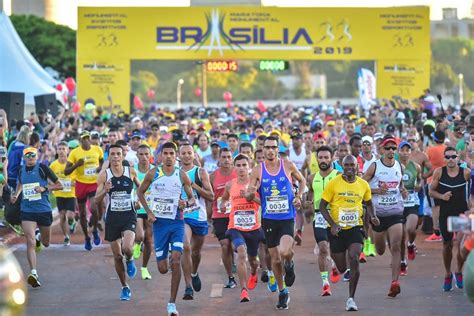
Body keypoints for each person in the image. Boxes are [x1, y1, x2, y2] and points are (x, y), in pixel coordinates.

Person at [246, 136, 306, 310]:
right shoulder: (258, 169)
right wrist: (250, 193)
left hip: (286, 217)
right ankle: (283, 292)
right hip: (269, 219)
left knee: (285, 252)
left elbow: (302, 180)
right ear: (263, 149)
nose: (270, 150)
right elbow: (251, 190)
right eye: (267, 147)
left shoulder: (287, 165)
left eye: (273, 147)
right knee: (275, 259)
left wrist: (298, 196)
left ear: (278, 148)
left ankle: (290, 263)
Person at [137, 142, 195, 316]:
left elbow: (192, 199)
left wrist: (186, 203)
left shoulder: (182, 175)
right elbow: (140, 193)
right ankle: (169, 254)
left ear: (175, 155)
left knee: (176, 260)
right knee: (163, 268)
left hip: (177, 222)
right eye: (166, 153)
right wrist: (148, 212)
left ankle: (171, 304)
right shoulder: (153, 173)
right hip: (159, 225)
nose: (168, 156)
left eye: (171, 153)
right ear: (161, 155)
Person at [319, 155, 379, 311]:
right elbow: (323, 205)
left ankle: (351, 298)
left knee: (354, 258)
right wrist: (332, 224)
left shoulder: (363, 184)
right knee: (341, 266)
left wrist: (372, 216)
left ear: (357, 167)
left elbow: (369, 203)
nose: (350, 168)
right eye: (346, 165)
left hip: (355, 227)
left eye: (352, 165)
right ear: (342, 167)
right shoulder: (334, 184)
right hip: (337, 229)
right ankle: (342, 269)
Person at [11, 147, 63, 287]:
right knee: (30, 241)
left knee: (46, 243)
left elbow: (60, 185)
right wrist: (16, 194)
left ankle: (40, 237)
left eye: (32, 155)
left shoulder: (43, 168)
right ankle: (33, 272)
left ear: (37, 155)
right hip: (27, 210)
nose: (30, 158)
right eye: (27, 156)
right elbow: (21, 183)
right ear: (24, 157)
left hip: (43, 210)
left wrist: (44, 188)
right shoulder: (21, 170)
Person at [364, 135, 407, 297]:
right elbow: (361, 184)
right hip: (378, 215)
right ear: (382, 149)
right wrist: (375, 191)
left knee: (396, 246)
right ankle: (377, 245)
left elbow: (400, 184)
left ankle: (394, 282)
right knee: (381, 250)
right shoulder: (374, 167)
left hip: (395, 212)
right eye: (387, 148)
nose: (390, 151)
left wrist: (402, 190)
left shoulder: (399, 167)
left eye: (393, 148)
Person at [95, 144, 140, 300]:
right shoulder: (104, 176)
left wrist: (139, 201)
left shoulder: (131, 172)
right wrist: (104, 190)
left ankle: (131, 259)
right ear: (109, 156)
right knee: (117, 256)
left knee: (127, 247)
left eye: (118, 154)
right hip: (112, 218)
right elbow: (96, 199)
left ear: (122, 156)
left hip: (129, 216)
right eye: (112, 154)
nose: (115, 157)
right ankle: (124, 287)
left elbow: (141, 190)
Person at [220, 154, 264, 302]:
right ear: (234, 167)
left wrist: (251, 197)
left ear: (249, 166)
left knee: (252, 259)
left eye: (244, 165)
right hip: (235, 226)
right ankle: (244, 290)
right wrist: (223, 204)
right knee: (241, 252)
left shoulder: (257, 184)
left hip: (253, 227)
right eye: (238, 165)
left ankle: (253, 272)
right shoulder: (230, 184)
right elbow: (225, 198)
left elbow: (264, 204)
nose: (241, 168)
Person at [429, 146, 471, 292]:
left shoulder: (465, 173)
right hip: (446, 214)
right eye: (448, 157)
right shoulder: (439, 172)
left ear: (458, 158)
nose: (451, 159)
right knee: (447, 246)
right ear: (444, 158)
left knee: (461, 246)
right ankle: (448, 274)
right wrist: (442, 196)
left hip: (462, 214)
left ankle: (459, 271)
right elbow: (431, 191)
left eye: (453, 156)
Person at [179, 144, 214, 300]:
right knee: (185, 246)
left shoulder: (200, 172)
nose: (186, 155)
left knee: (195, 252)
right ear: (178, 155)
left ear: (194, 155)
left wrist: (193, 186)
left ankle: (194, 272)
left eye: (189, 153)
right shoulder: (174, 173)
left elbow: (211, 196)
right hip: (181, 217)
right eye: (183, 153)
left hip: (198, 216)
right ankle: (187, 287)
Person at [306, 146, 340, 296]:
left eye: (326, 157)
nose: (323, 160)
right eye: (321, 158)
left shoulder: (338, 175)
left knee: (335, 249)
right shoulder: (312, 177)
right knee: (323, 248)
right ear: (317, 159)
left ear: (332, 158)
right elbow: (310, 195)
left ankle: (333, 264)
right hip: (319, 217)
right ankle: (325, 283)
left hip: (335, 216)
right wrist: (307, 203)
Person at [65, 130, 104, 250]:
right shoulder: (74, 153)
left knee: (93, 207)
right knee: (82, 213)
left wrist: (100, 168)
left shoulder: (97, 149)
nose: (86, 140)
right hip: (81, 184)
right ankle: (87, 237)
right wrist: (76, 165)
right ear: (80, 140)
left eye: (88, 138)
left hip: (93, 183)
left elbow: (102, 161)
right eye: (84, 138)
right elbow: (66, 171)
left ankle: (95, 230)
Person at [210, 148, 237, 289]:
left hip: (237, 214)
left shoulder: (237, 173)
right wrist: (210, 219)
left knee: (235, 245)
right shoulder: (213, 176)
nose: (226, 160)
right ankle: (230, 277)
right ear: (219, 159)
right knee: (225, 245)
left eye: (229, 157)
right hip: (219, 215)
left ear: (232, 159)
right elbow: (210, 197)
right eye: (224, 157)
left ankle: (237, 259)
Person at [398, 141, 422, 275]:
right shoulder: (395, 166)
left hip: (412, 201)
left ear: (410, 152)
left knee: (411, 229)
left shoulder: (416, 166)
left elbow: (419, 180)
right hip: (398, 203)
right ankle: (402, 262)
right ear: (398, 151)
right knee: (401, 236)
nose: (405, 152)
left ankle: (411, 244)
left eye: (408, 150)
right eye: (403, 150)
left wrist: (418, 185)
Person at [132, 144, 154, 280]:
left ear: (150, 155)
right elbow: (129, 189)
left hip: (151, 209)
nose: (144, 157)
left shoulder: (155, 170)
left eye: (146, 154)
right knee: (140, 236)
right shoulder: (133, 171)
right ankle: (137, 243)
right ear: (137, 156)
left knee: (149, 240)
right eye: (141, 154)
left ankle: (144, 268)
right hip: (137, 207)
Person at [49, 141, 77, 246]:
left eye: (63, 149)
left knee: (69, 215)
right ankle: (66, 237)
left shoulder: (71, 164)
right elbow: (49, 178)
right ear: (56, 151)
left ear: (67, 151)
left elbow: (77, 178)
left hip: (70, 193)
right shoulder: (53, 165)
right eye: (59, 149)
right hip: (60, 194)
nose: (61, 151)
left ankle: (72, 222)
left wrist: (74, 182)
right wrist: (52, 185)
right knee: (62, 216)